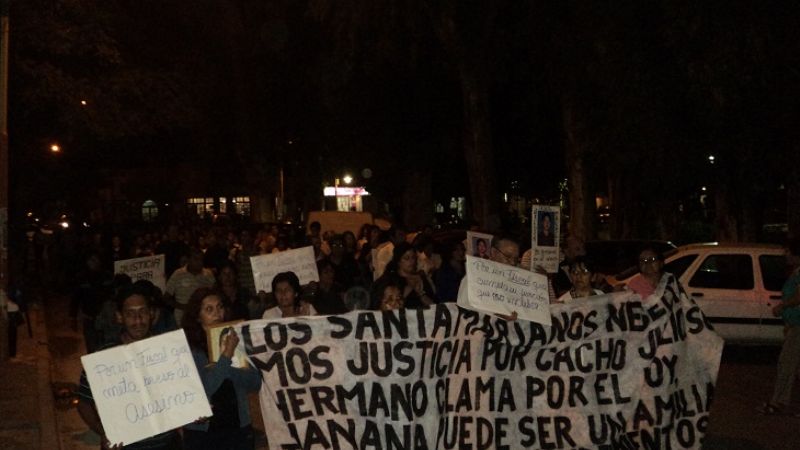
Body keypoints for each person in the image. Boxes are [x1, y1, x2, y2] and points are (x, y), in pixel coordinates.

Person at [77, 284, 183, 449]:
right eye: (130, 314)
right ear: (119, 317)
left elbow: (184, 393)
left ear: (152, 314)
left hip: (167, 445)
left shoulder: (169, 351)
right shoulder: (103, 357)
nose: (138, 320)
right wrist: (104, 432)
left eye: (143, 312)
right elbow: (84, 403)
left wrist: (196, 412)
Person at [182, 287, 261, 449]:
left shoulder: (237, 341)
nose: (217, 313)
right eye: (209, 309)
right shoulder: (189, 350)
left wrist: (231, 356)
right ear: (198, 317)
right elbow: (205, 390)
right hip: (203, 433)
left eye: (220, 307)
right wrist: (226, 357)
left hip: (237, 428)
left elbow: (255, 382)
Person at [758, 240, 800, 416]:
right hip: (794, 325)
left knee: (786, 364)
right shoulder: (796, 273)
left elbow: (798, 297)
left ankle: (779, 402)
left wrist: (782, 306)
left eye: (788, 252)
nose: (786, 256)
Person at [376, 242, 435, 309]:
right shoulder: (389, 279)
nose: (411, 261)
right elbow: (387, 307)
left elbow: (434, 306)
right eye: (406, 258)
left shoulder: (420, 278)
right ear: (398, 261)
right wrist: (410, 288)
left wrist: (420, 293)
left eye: (413, 257)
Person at [164, 248, 215, 324]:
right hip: (182, 318)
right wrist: (184, 307)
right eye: (196, 259)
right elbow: (166, 298)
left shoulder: (208, 274)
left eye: (201, 259)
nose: (199, 262)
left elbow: (215, 293)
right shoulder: (178, 274)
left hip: (203, 317)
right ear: (188, 260)